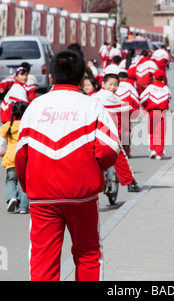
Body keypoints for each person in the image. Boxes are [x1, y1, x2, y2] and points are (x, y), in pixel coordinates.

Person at [15, 50, 120, 281]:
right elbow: (110, 150)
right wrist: (93, 168)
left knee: (43, 258)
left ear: (51, 77)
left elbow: (20, 155)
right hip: (82, 195)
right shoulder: (92, 107)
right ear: (82, 78)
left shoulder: (34, 107)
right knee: (89, 254)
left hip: (42, 197)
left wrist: (27, 187)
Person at [92, 74, 142, 192]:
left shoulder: (93, 96)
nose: (113, 87)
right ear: (103, 84)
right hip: (107, 131)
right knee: (120, 155)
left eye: (115, 85)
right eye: (111, 84)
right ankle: (130, 182)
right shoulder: (109, 95)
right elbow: (126, 109)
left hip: (92, 131)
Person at [0, 101, 30, 214]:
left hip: (10, 157)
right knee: (24, 182)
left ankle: (11, 197)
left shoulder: (8, 125)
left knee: (11, 180)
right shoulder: (27, 125)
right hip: (24, 157)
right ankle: (23, 206)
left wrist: (1, 152)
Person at [140, 69, 171, 160]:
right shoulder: (166, 88)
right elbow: (169, 97)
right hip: (162, 112)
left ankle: (152, 149)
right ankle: (159, 152)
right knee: (160, 132)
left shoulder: (150, 87)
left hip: (152, 112)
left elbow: (142, 98)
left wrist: (145, 107)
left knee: (152, 131)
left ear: (154, 77)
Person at [116, 71, 140, 157]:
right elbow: (136, 98)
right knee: (126, 132)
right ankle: (126, 152)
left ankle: (117, 151)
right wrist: (136, 111)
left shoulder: (114, 85)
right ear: (126, 79)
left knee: (115, 131)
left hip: (114, 111)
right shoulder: (129, 86)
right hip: (126, 111)